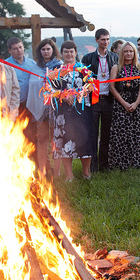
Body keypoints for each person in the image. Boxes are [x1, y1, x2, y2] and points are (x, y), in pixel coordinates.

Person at [52, 41, 95, 181]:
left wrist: (78, 94)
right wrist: (63, 96)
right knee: (65, 141)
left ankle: (86, 172)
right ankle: (69, 175)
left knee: (85, 139)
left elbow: (91, 86)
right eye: (66, 51)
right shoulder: (56, 70)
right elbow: (49, 88)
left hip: (82, 111)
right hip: (63, 112)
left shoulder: (83, 69)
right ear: (62, 53)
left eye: (71, 51)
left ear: (76, 53)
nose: (69, 54)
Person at [108, 42, 140, 170]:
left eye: (131, 51)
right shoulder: (116, 68)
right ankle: (120, 163)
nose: (128, 54)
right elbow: (112, 88)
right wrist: (124, 103)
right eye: (126, 51)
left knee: (136, 133)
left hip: (136, 103)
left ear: (134, 53)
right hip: (121, 104)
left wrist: (136, 103)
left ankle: (137, 162)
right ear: (122, 53)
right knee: (121, 133)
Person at [82, 29, 117, 173]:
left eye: (108, 39)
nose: (106, 42)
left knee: (106, 134)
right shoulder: (87, 58)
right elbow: (83, 79)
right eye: (103, 39)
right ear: (96, 40)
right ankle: (92, 165)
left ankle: (104, 164)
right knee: (92, 133)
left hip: (108, 99)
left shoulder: (114, 57)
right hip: (93, 100)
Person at [25, 38, 61, 178]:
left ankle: (57, 172)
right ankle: (42, 170)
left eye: (48, 49)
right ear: (40, 51)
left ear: (53, 50)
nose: (46, 52)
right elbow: (32, 85)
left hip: (55, 108)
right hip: (40, 109)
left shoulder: (59, 66)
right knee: (41, 139)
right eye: (43, 49)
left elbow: (62, 86)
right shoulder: (35, 67)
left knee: (56, 141)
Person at [6, 37, 41, 171]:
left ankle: (36, 168)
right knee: (15, 137)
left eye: (20, 47)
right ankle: (15, 168)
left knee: (32, 137)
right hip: (14, 106)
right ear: (10, 50)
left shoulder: (32, 64)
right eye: (15, 48)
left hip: (30, 105)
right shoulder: (5, 65)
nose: (18, 50)